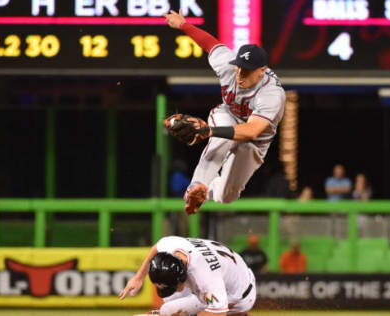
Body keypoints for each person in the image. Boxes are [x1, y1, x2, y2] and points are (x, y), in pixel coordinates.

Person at [163, 10, 286, 215]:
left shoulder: (272, 94)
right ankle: (196, 187)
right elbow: (209, 43)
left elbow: (252, 130)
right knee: (220, 140)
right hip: (228, 114)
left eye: (246, 70)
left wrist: (209, 131)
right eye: (239, 67)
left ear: (262, 71)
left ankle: (208, 192)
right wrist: (183, 25)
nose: (240, 73)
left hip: (255, 141)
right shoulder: (230, 66)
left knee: (228, 196)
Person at [120, 236, 256, 316]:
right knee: (168, 308)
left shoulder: (205, 278)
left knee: (169, 310)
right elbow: (156, 247)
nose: (173, 290)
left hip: (238, 296)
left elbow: (218, 313)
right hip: (231, 271)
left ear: (182, 277)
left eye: (174, 286)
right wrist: (138, 277)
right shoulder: (172, 246)